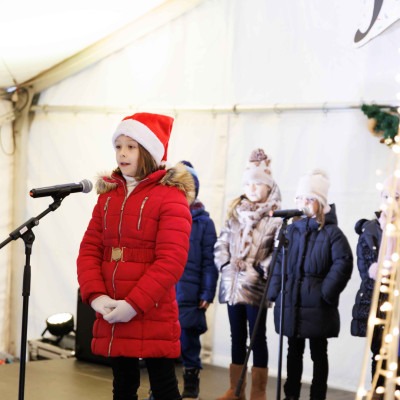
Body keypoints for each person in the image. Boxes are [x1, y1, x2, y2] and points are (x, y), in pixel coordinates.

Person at [76, 112, 194, 400]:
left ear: (149, 152)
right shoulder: (107, 196)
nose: (122, 153)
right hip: (112, 307)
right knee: (123, 385)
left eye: (131, 146)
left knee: (164, 386)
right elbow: (89, 249)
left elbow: (171, 261)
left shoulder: (170, 197)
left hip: (151, 308)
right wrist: (96, 295)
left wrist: (133, 304)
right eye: (118, 146)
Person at [267, 169, 353, 400]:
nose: (302, 203)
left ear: (321, 202)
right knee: (293, 352)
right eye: (299, 198)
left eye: (309, 199)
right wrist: (275, 292)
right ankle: (291, 395)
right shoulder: (290, 230)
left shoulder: (332, 233)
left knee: (318, 353)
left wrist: (325, 292)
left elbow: (343, 262)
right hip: (291, 302)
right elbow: (278, 262)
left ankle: (317, 396)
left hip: (317, 306)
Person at [214, 148, 282, 400]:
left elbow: (277, 252)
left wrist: (259, 268)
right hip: (233, 284)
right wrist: (225, 265)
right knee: (237, 337)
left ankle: (258, 391)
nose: (252, 188)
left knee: (257, 338)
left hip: (255, 286)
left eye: (258, 183)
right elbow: (222, 243)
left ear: (268, 187)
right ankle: (236, 389)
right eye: (248, 184)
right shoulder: (236, 215)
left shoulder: (275, 219)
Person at [351, 173, 400, 399]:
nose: (391, 202)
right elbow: (365, 269)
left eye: (397, 197)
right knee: (379, 356)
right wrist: (381, 267)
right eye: (386, 196)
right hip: (378, 302)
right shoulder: (371, 229)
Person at [176, 160, 219, 399]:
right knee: (163, 341)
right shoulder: (165, 217)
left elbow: (209, 261)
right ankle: (161, 386)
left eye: (187, 189)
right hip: (167, 291)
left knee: (189, 338)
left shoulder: (204, 223)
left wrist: (207, 292)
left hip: (190, 293)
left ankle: (191, 381)